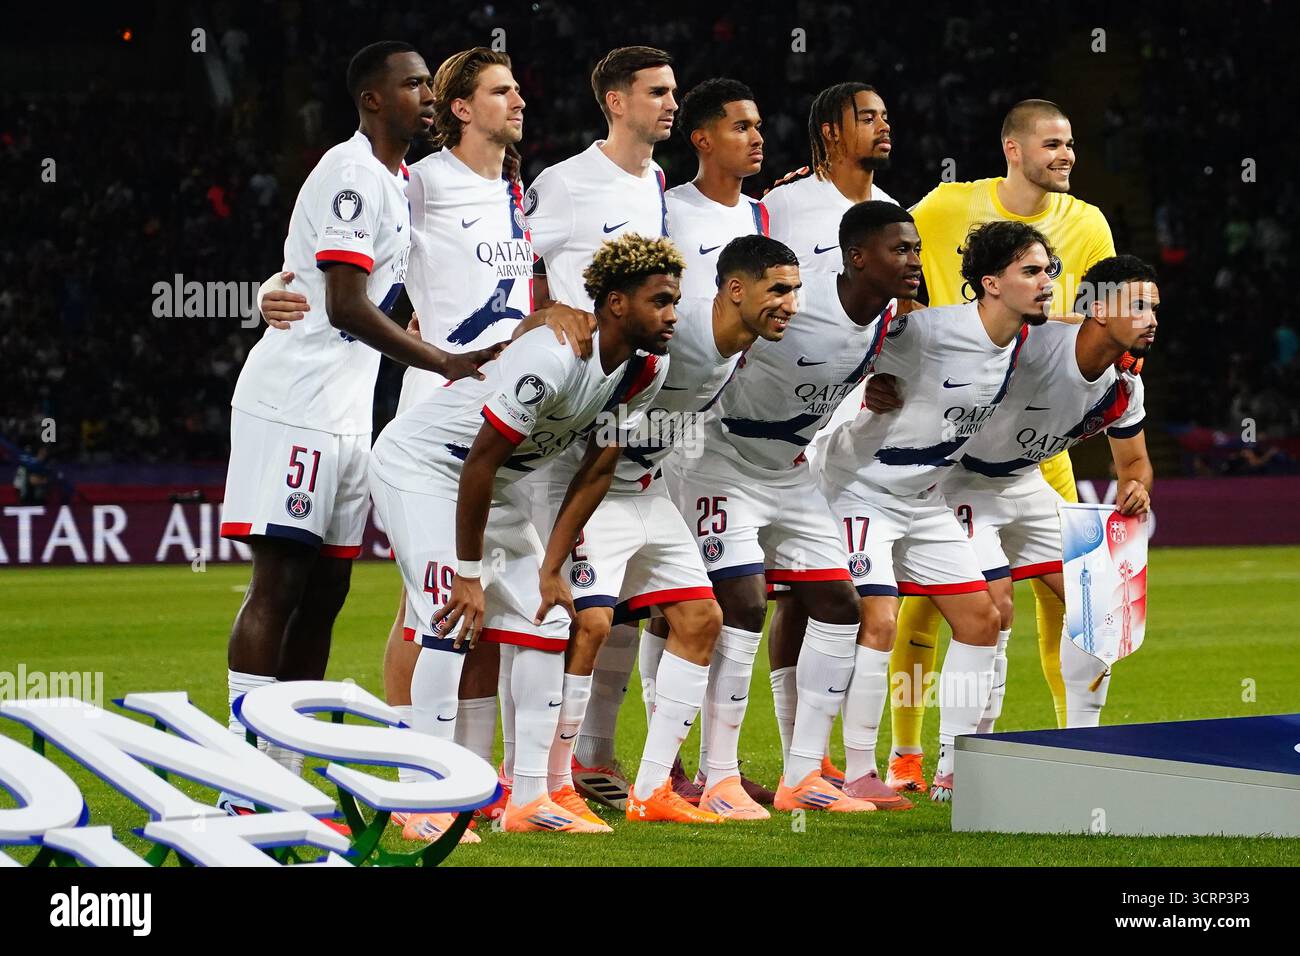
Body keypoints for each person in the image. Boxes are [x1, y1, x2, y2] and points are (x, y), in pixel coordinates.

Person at [216, 41, 497, 817]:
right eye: (411, 85)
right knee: (280, 583)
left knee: (329, 590)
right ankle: (247, 780)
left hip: (345, 413)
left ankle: (290, 768)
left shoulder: (398, 182)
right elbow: (342, 302)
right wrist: (443, 361)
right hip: (292, 403)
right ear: (373, 99)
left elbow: (335, 281)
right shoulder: (350, 173)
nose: (426, 95)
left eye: (427, 85)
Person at [369, 233, 678, 833]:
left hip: (496, 484)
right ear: (616, 303)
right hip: (423, 466)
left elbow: (598, 467)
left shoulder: (646, 370)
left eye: (675, 301)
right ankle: (420, 798)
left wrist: (551, 568)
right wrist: (467, 575)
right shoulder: (555, 355)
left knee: (549, 616)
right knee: (447, 615)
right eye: (660, 301)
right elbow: (478, 460)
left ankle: (529, 801)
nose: (672, 315)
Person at [884, 98, 1119, 792]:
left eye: (1071, 142)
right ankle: (909, 757)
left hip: (1042, 449)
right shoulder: (948, 205)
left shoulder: (1087, 222)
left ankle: (1075, 749)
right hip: (960, 443)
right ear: (1013, 149)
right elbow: (886, 246)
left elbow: (1104, 307)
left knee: (1072, 598)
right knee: (939, 604)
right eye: (1052, 143)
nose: (1067, 154)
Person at [665, 201, 921, 813]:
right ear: (858, 258)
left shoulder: (886, 320)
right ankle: (717, 774)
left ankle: (802, 777)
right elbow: (712, 332)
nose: (914, 261)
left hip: (790, 470)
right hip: (717, 461)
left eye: (915, 250)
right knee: (741, 604)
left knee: (839, 602)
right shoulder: (792, 308)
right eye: (900, 250)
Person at [547, 235, 801, 823]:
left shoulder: (739, 347)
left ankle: (653, 790)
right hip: (589, 484)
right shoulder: (665, 335)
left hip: (647, 486)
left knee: (701, 617)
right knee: (588, 625)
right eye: (778, 290)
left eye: (794, 290)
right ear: (735, 290)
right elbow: (592, 350)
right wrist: (545, 310)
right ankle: (551, 783)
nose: (790, 304)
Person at [815, 218, 1050, 802]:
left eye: (1050, 272)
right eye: (1033, 272)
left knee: (982, 620)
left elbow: (1078, 334)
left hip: (925, 498)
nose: (1046, 284)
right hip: (861, 488)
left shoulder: (1020, 339)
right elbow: (845, 362)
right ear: (992, 283)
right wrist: (862, 393)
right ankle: (860, 770)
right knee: (881, 620)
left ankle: (952, 770)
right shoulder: (923, 331)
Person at [524, 45, 677, 807]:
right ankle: (533, 777)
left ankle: (585, 761)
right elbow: (524, 262)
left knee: (609, 601)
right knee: (554, 603)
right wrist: (544, 317)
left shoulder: (653, 182)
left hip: (627, 402)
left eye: (674, 91)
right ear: (615, 101)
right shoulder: (565, 181)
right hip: (562, 407)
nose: (670, 102)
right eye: (656, 91)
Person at [932, 254, 1156, 730]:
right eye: (1138, 306)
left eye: (1155, 309)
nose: (1151, 320)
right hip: (959, 481)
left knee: (1100, 602)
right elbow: (951, 346)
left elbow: (1134, 463)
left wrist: (1136, 487)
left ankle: (1082, 743)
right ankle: (960, 762)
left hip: (1024, 482)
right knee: (992, 613)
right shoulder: (1029, 344)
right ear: (1098, 309)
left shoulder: (1126, 385)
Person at [645, 76, 772, 803]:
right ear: (701, 138)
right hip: (665, 423)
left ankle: (703, 769)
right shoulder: (665, 207)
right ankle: (654, 767)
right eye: (741, 126)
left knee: (722, 598)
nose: (756, 137)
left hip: (734, 433)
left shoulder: (764, 210)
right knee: (663, 601)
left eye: (759, 127)